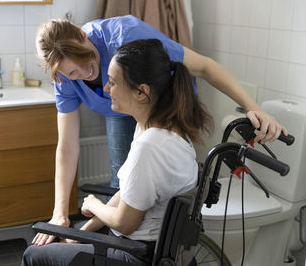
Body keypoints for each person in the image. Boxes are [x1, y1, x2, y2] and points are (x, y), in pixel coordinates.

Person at [33, 15, 287, 246]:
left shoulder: (125, 36)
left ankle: (153, 247)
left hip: (163, 107)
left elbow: (204, 67)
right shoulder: (64, 75)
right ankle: (108, 243)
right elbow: (67, 147)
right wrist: (60, 213)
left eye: (87, 59)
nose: (86, 73)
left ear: (83, 35)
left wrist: (253, 108)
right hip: (125, 110)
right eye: (73, 73)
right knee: (127, 182)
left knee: (156, 182)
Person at [22, 38, 213, 266]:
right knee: (65, 241)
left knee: (34, 256)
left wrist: (93, 204)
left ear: (141, 92)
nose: (105, 88)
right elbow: (128, 193)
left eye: (112, 82)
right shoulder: (158, 128)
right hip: (144, 245)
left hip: (134, 255)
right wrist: (82, 232)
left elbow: (125, 223)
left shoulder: (150, 146)